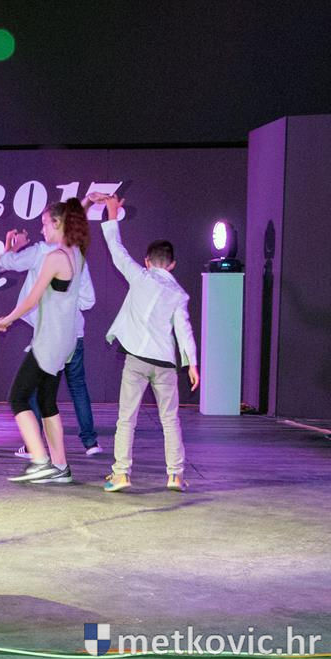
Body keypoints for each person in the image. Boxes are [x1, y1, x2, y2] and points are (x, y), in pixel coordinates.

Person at [96, 194, 199, 492]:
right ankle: (175, 475)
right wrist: (193, 364)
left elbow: (116, 250)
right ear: (172, 265)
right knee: (170, 420)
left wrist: (112, 214)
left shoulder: (140, 276)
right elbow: (184, 331)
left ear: (147, 261)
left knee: (126, 419)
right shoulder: (178, 294)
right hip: (165, 363)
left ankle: (121, 474)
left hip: (137, 359)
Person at [0, 198, 90, 484]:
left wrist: (7, 319)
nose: (42, 229)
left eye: (45, 223)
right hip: (65, 340)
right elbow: (76, 215)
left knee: (17, 397)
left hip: (49, 341)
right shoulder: (76, 253)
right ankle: (60, 466)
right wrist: (85, 203)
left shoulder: (55, 257)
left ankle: (39, 460)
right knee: (47, 401)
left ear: (58, 223)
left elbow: (32, 299)